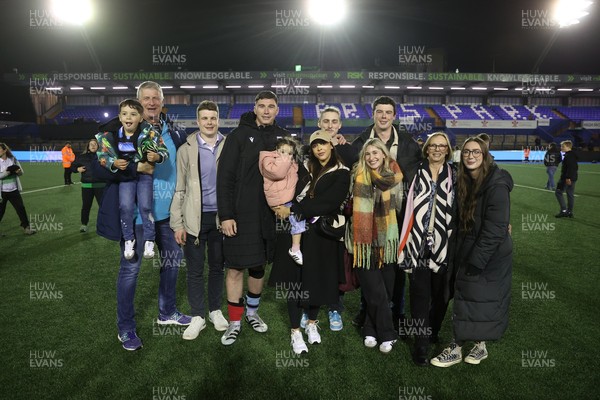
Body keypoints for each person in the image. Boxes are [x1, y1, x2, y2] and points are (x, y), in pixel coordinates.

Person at [94, 81, 191, 351]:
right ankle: (125, 329)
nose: (150, 103)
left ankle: (166, 312)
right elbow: (97, 168)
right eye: (145, 98)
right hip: (135, 217)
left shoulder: (174, 132)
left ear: (162, 101)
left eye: (155, 98)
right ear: (137, 102)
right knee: (130, 272)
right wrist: (134, 166)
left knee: (172, 263)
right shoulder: (114, 131)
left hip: (168, 216)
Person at [430, 136, 513, 367]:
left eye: (476, 152)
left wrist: (476, 260)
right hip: (469, 247)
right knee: (474, 298)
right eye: (466, 152)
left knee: (475, 296)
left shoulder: (496, 184)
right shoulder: (464, 180)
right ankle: (478, 345)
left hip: (490, 254)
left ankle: (457, 347)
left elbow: (495, 229)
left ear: (485, 155)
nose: (471, 156)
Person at [269, 130, 350, 354]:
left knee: (316, 282)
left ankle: (312, 324)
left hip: (322, 237)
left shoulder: (342, 173)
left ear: (331, 144)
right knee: (295, 284)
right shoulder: (304, 168)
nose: (319, 148)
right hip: (297, 233)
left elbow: (329, 203)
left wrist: (294, 208)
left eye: (323, 143)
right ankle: (295, 331)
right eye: (315, 145)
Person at [217, 90, 288, 345]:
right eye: (262, 106)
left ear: (277, 109)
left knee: (259, 267)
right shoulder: (237, 136)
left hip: (268, 215)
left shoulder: (283, 138)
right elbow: (224, 178)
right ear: (255, 108)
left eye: (271, 106)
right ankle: (234, 322)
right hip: (239, 214)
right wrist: (226, 215)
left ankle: (252, 314)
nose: (267, 110)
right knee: (235, 267)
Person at [351, 96, 422, 329]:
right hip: (367, 217)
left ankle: (396, 311)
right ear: (373, 114)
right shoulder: (361, 141)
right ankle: (368, 310)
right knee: (369, 266)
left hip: (397, 217)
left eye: (388, 112)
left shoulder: (409, 142)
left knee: (395, 268)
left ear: (394, 115)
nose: (383, 116)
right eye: (379, 111)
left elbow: (414, 176)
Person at [170, 100, 229, 340]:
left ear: (218, 120)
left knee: (217, 268)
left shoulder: (228, 146)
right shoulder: (186, 149)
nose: (209, 122)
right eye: (204, 118)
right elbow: (179, 188)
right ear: (198, 122)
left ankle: (215, 310)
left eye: (213, 118)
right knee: (195, 270)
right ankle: (197, 316)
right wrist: (178, 223)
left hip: (221, 219)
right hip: (194, 219)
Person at [398, 132, 456, 366]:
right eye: (433, 146)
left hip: (445, 244)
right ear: (426, 148)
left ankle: (432, 331)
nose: (437, 150)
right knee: (420, 295)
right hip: (417, 243)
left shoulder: (455, 174)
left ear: (448, 150)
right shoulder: (413, 170)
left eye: (442, 146)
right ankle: (421, 344)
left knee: (442, 295)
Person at [97, 98, 168, 260]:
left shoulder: (150, 133)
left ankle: (149, 239)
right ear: (120, 117)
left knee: (145, 207)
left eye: (133, 114)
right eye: (124, 114)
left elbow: (164, 150)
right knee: (125, 207)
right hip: (126, 177)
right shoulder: (109, 136)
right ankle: (129, 238)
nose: (128, 117)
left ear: (141, 118)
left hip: (144, 176)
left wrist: (157, 156)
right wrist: (113, 162)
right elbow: (102, 156)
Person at [351, 138, 403, 354]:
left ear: (384, 155)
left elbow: (400, 206)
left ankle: (370, 329)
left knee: (387, 289)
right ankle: (388, 334)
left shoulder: (395, 177)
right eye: (368, 154)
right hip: (363, 243)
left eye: (376, 153)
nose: (372, 157)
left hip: (388, 239)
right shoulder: (357, 176)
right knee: (375, 292)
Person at [259, 137, 305, 264]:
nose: (286, 155)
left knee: (298, 218)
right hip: (279, 200)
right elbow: (278, 173)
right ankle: (295, 248)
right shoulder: (269, 160)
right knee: (298, 219)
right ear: (276, 150)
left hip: (286, 199)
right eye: (283, 151)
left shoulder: (292, 163)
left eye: (290, 153)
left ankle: (294, 248)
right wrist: (285, 159)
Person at [70, 138, 105, 232]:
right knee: (86, 206)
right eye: (91, 144)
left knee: (103, 206)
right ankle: (84, 224)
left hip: (100, 186)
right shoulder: (82, 157)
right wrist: (77, 169)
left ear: (98, 146)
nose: (93, 145)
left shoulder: (103, 156)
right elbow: (72, 167)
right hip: (87, 186)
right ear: (88, 147)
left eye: (95, 144)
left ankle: (105, 224)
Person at [0, 142, 36, 235]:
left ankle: (26, 227)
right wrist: (7, 172)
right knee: (0, 212)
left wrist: (17, 171)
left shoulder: (13, 160)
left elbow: (21, 173)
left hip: (14, 190)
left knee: (21, 209)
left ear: (5, 150)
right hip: (1, 192)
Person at [555, 140, 578, 218]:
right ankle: (569, 212)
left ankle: (564, 210)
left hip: (567, 178)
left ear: (568, 147)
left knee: (558, 192)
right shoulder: (571, 155)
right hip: (572, 177)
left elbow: (571, 168)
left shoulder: (569, 156)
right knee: (570, 194)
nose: (561, 148)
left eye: (563, 146)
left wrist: (568, 178)